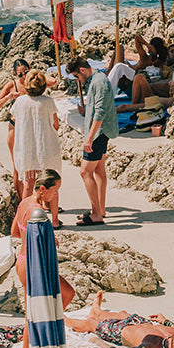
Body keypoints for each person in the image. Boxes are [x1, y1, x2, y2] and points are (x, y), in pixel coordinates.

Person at [67, 291, 174, 348]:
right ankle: (96, 311)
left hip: (119, 331)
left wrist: (99, 343)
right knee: (123, 314)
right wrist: (166, 322)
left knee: (90, 324)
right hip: (141, 322)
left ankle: (62, 319)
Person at [67, 56, 118, 225]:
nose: (78, 80)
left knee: (85, 171)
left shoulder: (99, 82)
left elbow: (100, 112)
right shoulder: (96, 80)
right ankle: (100, 209)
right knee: (99, 170)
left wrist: (89, 137)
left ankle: (96, 213)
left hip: (98, 133)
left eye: (76, 76)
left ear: (82, 70)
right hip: (99, 132)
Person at [12, 171, 72, 293]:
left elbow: (14, 232)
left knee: (31, 309)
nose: (55, 195)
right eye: (54, 190)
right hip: (33, 264)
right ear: (43, 189)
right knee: (68, 294)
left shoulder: (24, 202)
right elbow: (41, 245)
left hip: (22, 261)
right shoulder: (38, 212)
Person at [12, 69, 62, 205]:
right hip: (46, 147)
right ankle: (55, 220)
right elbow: (55, 125)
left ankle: (25, 215)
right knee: (51, 183)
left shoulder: (20, 102)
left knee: (28, 184)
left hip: (27, 149)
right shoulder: (48, 102)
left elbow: (15, 119)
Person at [0, 58, 31, 194]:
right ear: (15, 73)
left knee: (35, 167)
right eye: (20, 74)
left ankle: (42, 201)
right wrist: (8, 97)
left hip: (31, 129)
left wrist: (35, 74)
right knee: (17, 168)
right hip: (16, 128)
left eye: (26, 72)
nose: (24, 76)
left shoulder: (35, 83)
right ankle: (21, 203)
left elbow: (52, 82)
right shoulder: (11, 85)